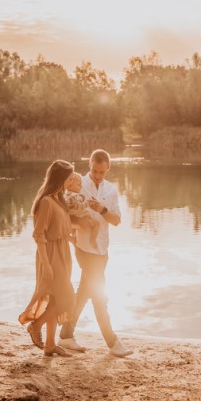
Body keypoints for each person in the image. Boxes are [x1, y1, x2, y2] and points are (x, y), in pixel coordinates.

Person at [59, 149, 133, 357]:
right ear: (89, 165)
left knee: (83, 293)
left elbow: (117, 221)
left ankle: (65, 335)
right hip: (84, 248)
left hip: (102, 250)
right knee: (100, 296)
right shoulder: (77, 183)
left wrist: (101, 209)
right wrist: (75, 228)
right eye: (94, 171)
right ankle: (112, 342)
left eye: (101, 172)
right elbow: (62, 211)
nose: (97, 175)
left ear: (108, 168)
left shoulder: (111, 190)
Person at [18, 160, 76, 357]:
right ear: (60, 179)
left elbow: (59, 228)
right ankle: (36, 326)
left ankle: (50, 345)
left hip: (62, 252)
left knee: (55, 299)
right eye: (69, 178)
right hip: (50, 255)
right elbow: (39, 235)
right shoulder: (46, 202)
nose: (71, 182)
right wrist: (47, 264)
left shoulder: (58, 199)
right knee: (68, 298)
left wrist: (71, 239)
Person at [65, 172, 100, 250]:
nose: (80, 187)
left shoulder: (67, 195)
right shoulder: (74, 196)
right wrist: (87, 203)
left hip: (73, 216)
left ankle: (73, 238)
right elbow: (78, 206)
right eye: (78, 185)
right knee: (97, 224)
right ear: (70, 185)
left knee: (74, 231)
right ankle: (93, 239)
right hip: (81, 215)